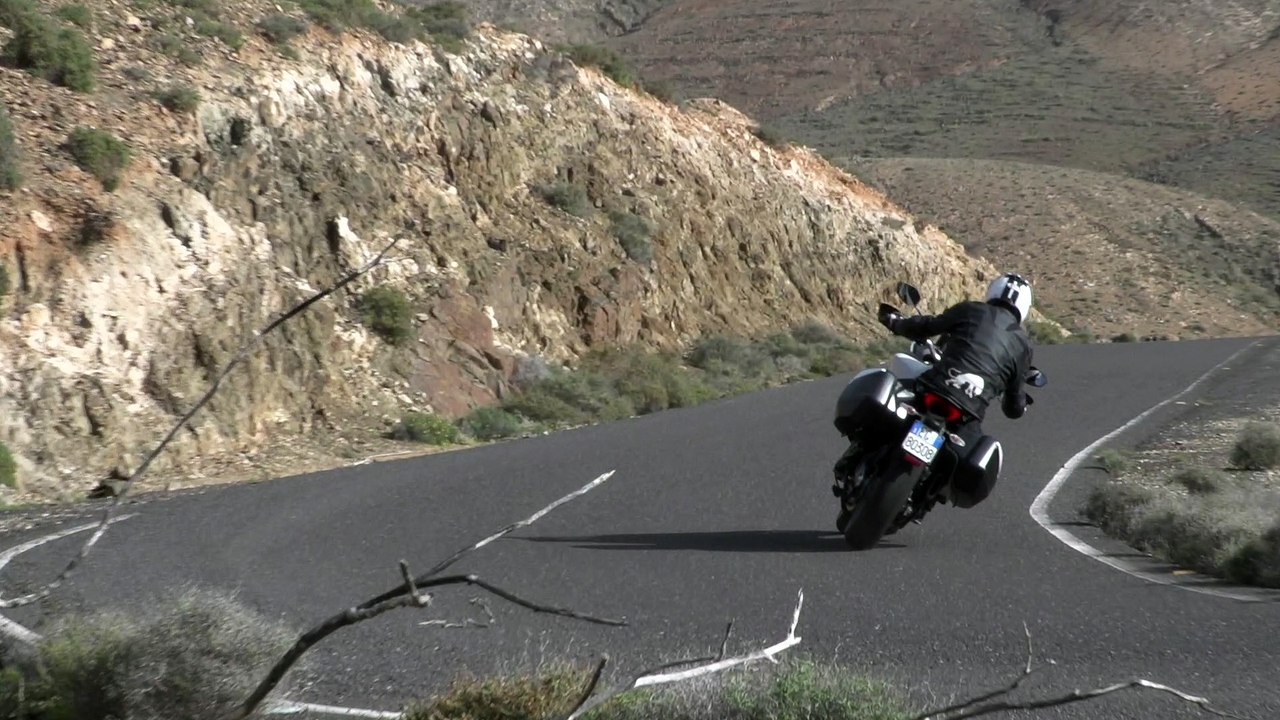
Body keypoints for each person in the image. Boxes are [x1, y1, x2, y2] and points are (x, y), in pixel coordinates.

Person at [835, 273, 1037, 509]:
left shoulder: (971, 309)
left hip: (933, 387)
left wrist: (894, 321)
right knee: (962, 456)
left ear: (993, 291)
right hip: (967, 413)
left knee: (891, 394)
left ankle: (862, 451)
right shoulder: (1023, 347)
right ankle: (927, 497)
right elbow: (1013, 407)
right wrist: (1020, 403)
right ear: (1025, 307)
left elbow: (926, 326)